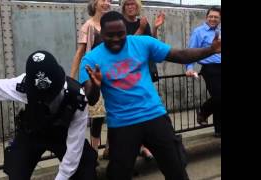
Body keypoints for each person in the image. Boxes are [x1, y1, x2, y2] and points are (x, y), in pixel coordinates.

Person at [79, 11, 221, 180]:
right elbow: (92, 98)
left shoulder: (142, 43)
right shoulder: (90, 60)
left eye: (120, 34)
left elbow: (181, 55)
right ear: (101, 33)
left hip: (155, 116)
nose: (116, 39)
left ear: (126, 30)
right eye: (110, 35)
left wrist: (211, 50)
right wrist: (95, 86)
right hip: (122, 124)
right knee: (118, 174)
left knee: (176, 169)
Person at [0, 50, 98, 180]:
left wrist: (61, 177)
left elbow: (74, 150)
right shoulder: (23, 85)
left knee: (85, 167)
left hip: (62, 135)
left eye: (51, 95)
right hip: (33, 132)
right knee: (16, 168)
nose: (47, 100)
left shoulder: (77, 99)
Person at [120, 0, 165, 160]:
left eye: (133, 4)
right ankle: (136, 146)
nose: (131, 7)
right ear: (123, 7)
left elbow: (150, 44)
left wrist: (155, 28)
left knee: (146, 107)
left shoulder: (143, 23)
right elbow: (124, 46)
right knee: (132, 109)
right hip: (127, 73)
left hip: (144, 70)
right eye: (127, 4)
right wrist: (140, 28)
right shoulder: (120, 23)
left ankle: (144, 145)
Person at [70, 0, 111, 158]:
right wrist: (72, 78)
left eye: (109, 0)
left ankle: (109, 149)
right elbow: (80, 53)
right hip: (90, 75)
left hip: (108, 74)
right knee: (98, 115)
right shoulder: (88, 26)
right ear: (95, 4)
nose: (107, 3)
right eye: (103, 0)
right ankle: (94, 152)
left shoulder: (110, 24)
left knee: (113, 111)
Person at [185, 6, 221, 138]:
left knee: (219, 100)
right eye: (211, 16)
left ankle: (219, 130)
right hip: (210, 68)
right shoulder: (199, 32)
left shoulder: (220, 31)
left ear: (219, 19)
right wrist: (189, 68)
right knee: (219, 97)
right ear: (206, 17)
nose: (213, 19)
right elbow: (190, 51)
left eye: (216, 17)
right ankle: (203, 111)